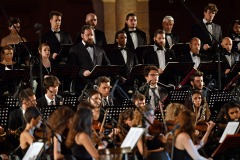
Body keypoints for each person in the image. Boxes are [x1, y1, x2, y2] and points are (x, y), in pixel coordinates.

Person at [68, 25, 110, 92]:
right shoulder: (74, 49)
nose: (90, 37)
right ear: (82, 36)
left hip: (99, 85)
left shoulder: (99, 48)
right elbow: (72, 67)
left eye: (92, 35)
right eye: (87, 35)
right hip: (82, 85)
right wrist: (82, 72)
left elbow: (107, 64)